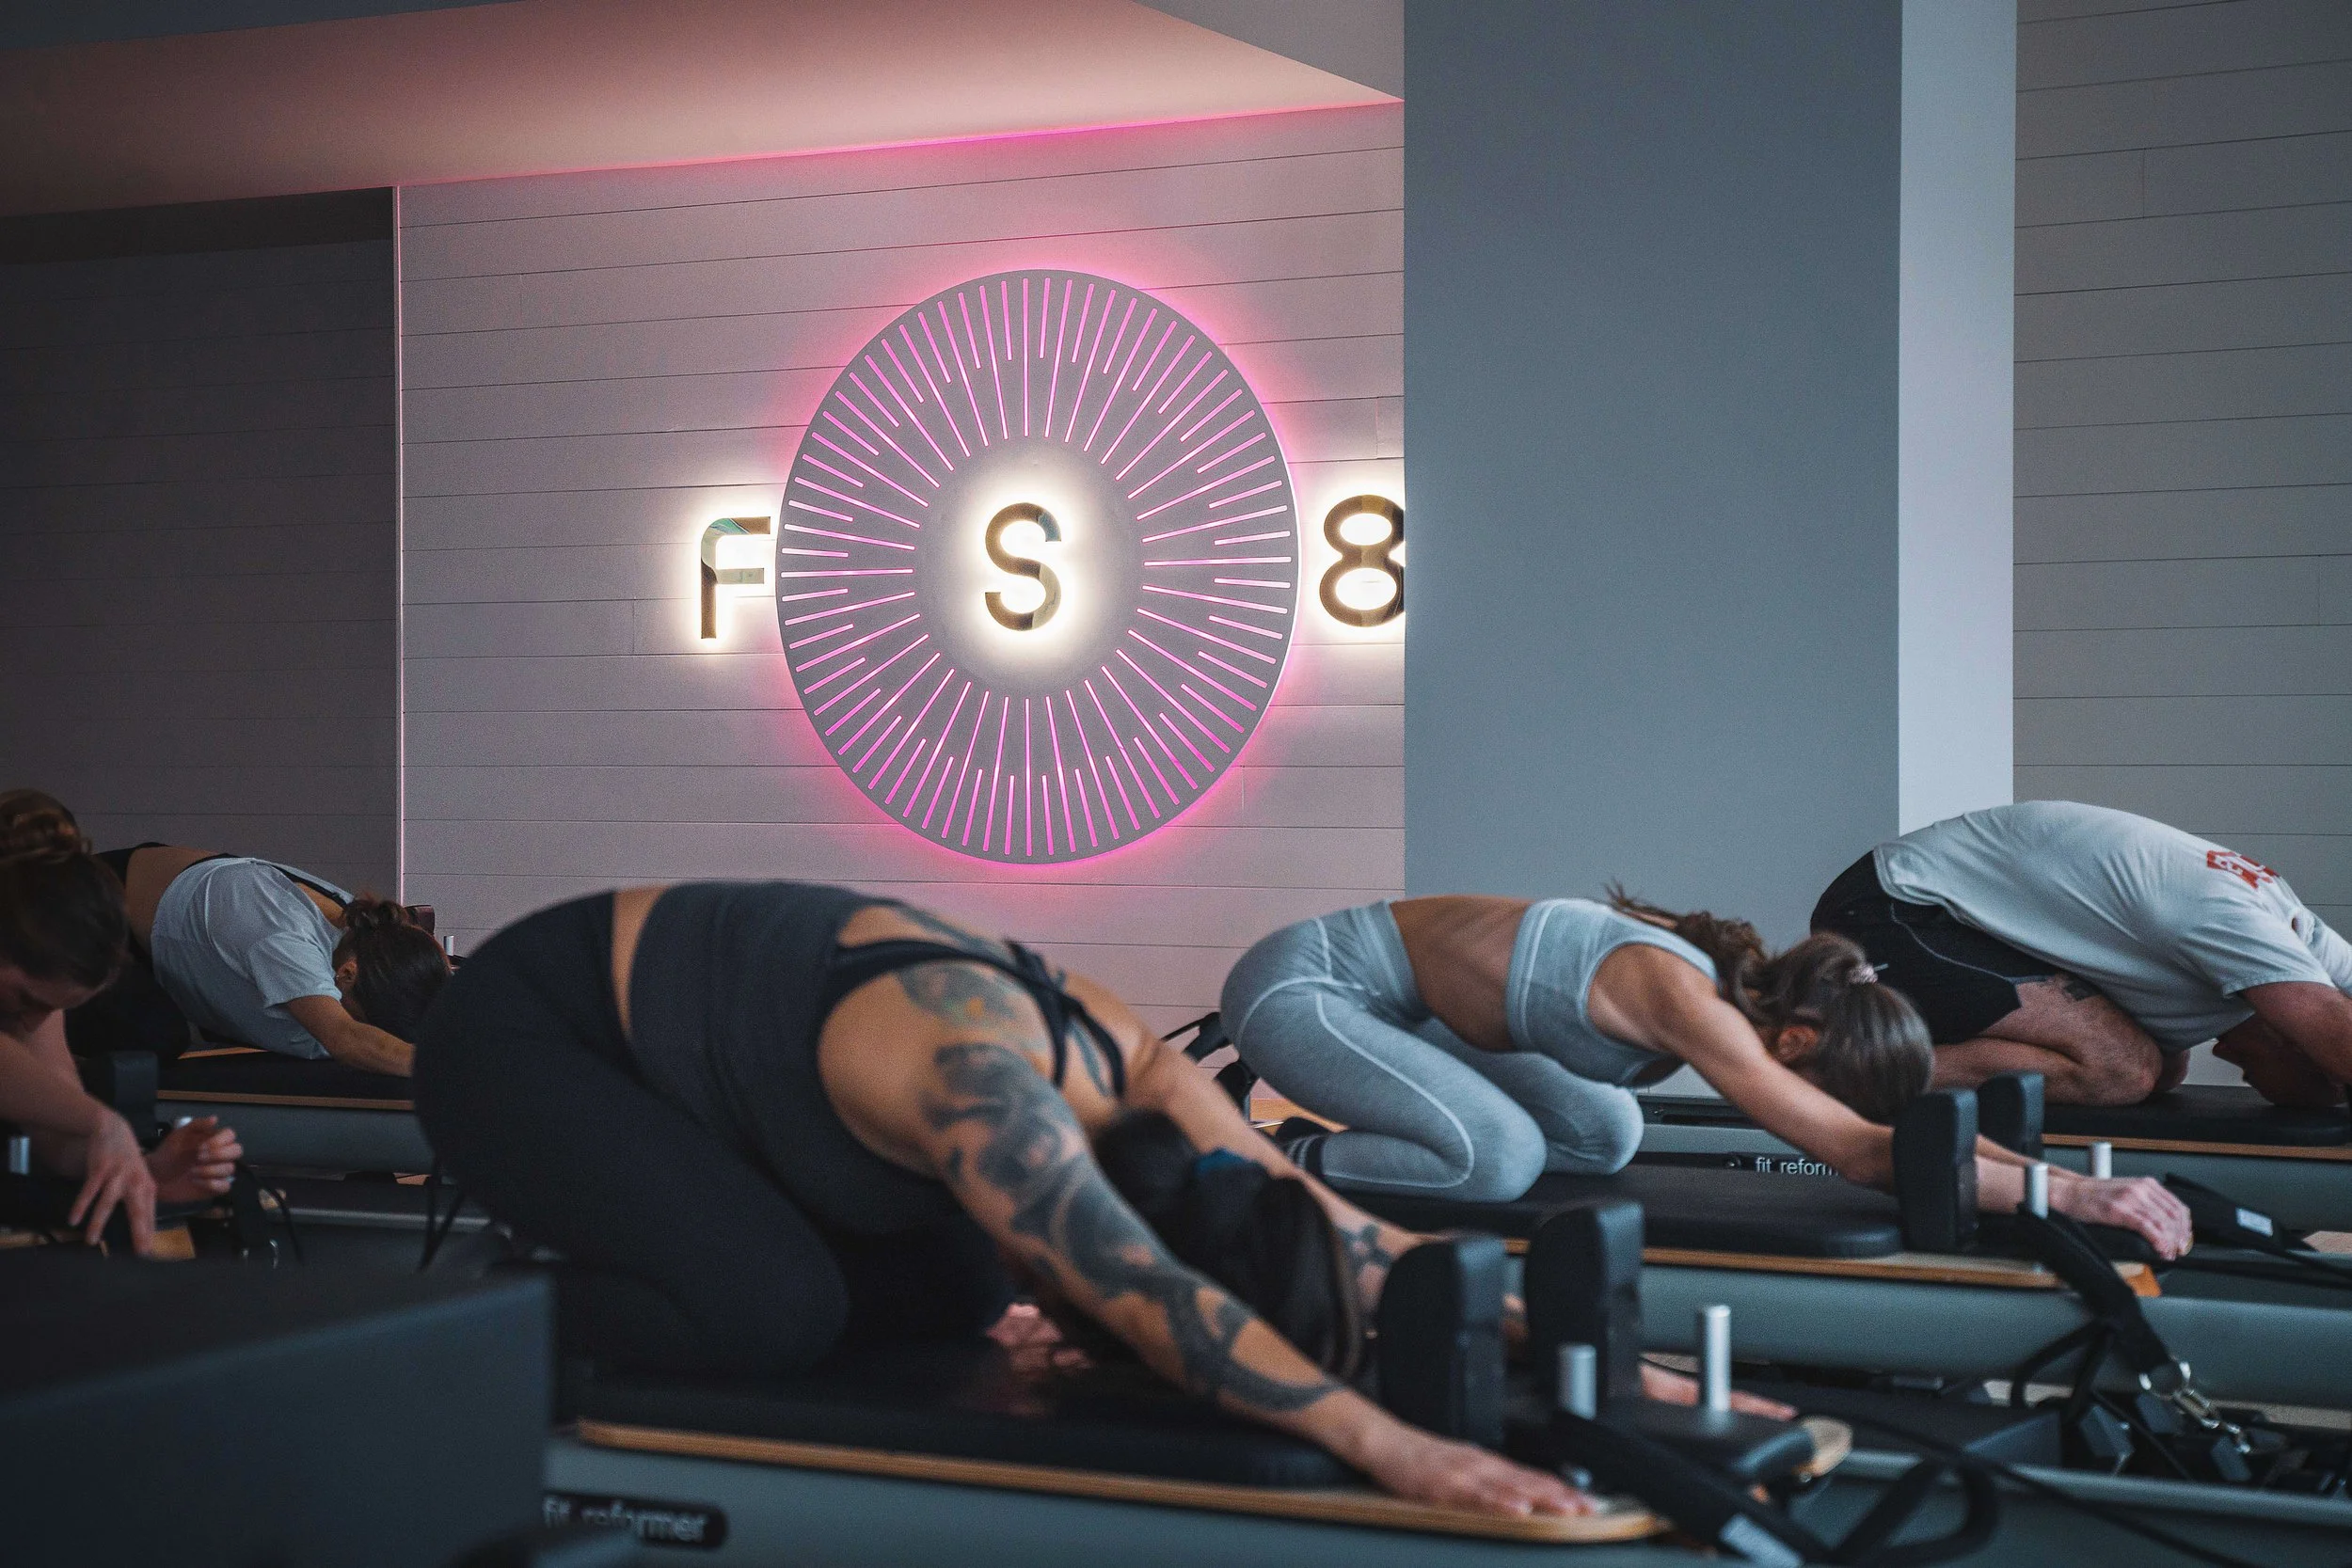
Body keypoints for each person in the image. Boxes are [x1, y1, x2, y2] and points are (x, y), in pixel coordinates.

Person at [416, 881, 1771, 1519]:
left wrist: (1604, 1358)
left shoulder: (1140, 1069)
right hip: (538, 1033)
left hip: (733, 1064)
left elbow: (1347, 1230)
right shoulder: (982, 1090)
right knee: (767, 1310)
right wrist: (1392, 1447)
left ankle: (683, 1234)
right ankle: (478, 1314)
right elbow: (1152, 1288)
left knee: (953, 1286)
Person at [1220, 892, 2191, 1256]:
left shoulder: (1759, 996)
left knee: (1607, 1133)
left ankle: (1382, 1125)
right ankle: (1261, 1150)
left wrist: (2057, 1180)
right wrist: (2068, 1189)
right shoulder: (1692, 1002)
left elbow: (1892, 1121)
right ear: (1803, 1043)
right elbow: (1856, 1149)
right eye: (1827, 1080)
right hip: (1305, 986)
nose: (1823, 1098)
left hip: (1417, 1014)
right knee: (1497, 1157)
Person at [1812, 801, 2352, 1109]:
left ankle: (1876, 1044)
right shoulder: (2249, 932)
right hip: (1897, 908)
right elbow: (2337, 1031)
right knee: (2122, 1070)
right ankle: (1825, 1069)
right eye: (2252, 1066)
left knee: (2159, 1069)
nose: (2235, 1064)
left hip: (1964, 919)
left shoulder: (2309, 942)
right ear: (2293, 1034)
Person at [0, 793, 241, 1253]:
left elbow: (54, 1130)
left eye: (50, 1008)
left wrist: (142, 1171)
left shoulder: (36, 1001)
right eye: (27, 997)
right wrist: (104, 1123)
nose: (31, 1020)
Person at [87, 843, 449, 1076]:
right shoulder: (285, 938)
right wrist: (455, 1069)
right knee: (156, 1035)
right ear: (347, 975)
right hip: (93, 913)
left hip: (162, 921)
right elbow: (345, 1038)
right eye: (362, 1012)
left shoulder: (368, 931)